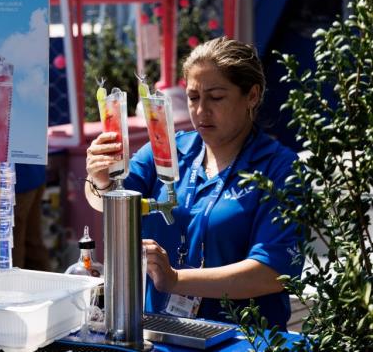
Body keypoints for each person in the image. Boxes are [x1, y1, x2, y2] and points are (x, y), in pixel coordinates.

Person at [84, 36, 304, 330]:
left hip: (242, 340)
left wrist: (176, 279)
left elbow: (273, 271)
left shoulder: (279, 168)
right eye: (193, 98)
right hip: (159, 332)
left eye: (215, 97)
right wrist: (98, 179)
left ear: (252, 95)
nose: (201, 111)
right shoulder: (166, 151)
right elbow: (110, 198)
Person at [12, 163, 51, 271]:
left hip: (18, 179)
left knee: (12, 245)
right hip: (33, 173)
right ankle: (46, 285)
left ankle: (12, 286)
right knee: (32, 242)